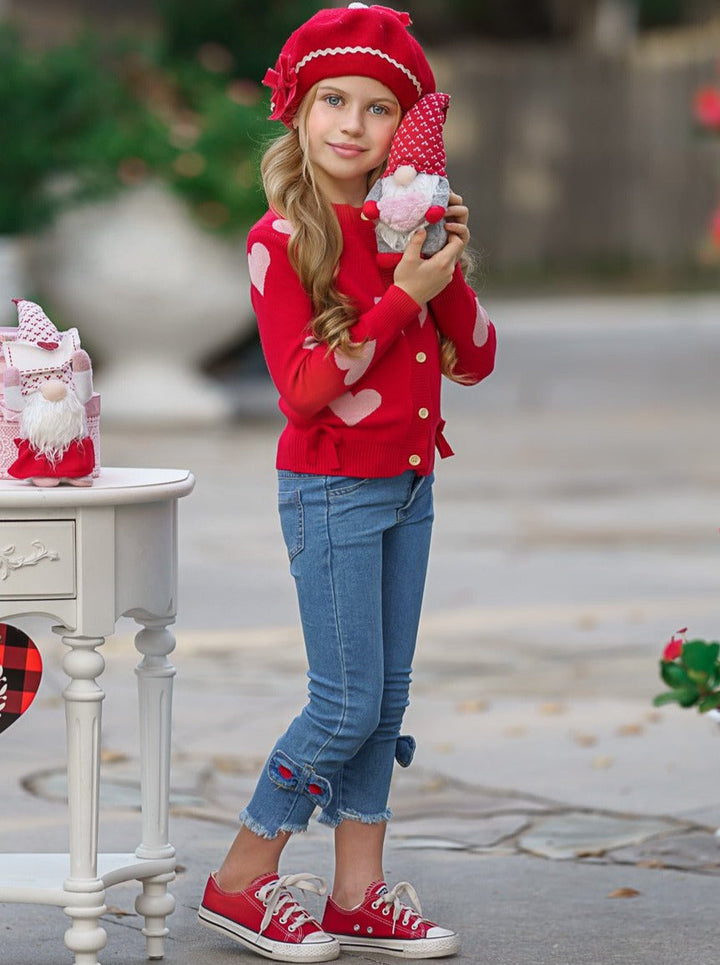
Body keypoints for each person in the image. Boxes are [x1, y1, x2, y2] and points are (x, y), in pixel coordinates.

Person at [198, 4, 496, 962]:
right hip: (331, 490)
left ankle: (358, 894)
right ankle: (241, 875)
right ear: (298, 109)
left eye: (378, 108)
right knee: (343, 702)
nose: (353, 125)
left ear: (401, 131)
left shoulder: (404, 230)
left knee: (386, 700)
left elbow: (475, 359)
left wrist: (440, 266)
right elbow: (303, 389)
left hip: (409, 488)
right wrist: (403, 295)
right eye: (334, 100)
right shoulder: (281, 237)